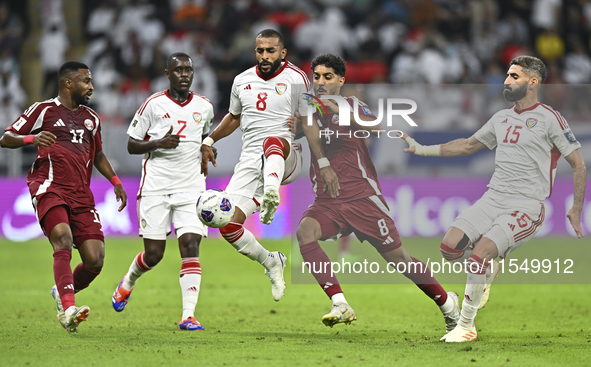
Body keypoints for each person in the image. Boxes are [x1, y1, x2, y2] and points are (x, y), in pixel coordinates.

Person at [401, 55, 586, 342]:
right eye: (508, 75)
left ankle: (466, 325)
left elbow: (578, 163)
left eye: (514, 76)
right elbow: (466, 145)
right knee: (449, 247)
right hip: (493, 197)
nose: (507, 81)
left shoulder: (550, 118)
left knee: (479, 255)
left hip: (526, 204)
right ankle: (487, 269)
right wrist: (422, 149)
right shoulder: (501, 118)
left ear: (533, 82)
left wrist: (576, 207)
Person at [295, 53, 460, 332]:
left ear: (340, 80)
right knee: (304, 233)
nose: (321, 82)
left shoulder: (352, 104)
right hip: (328, 199)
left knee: (400, 261)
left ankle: (448, 304)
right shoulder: (308, 107)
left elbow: (376, 127)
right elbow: (300, 134)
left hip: (362, 197)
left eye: (328, 76)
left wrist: (337, 110)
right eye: (317, 76)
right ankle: (340, 303)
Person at [0, 61, 127, 333]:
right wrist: (31, 140)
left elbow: (99, 155)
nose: (91, 87)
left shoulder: (91, 118)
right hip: (50, 187)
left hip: (82, 194)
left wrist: (115, 181)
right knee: (63, 239)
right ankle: (68, 309)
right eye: (86, 81)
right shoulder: (43, 110)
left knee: (95, 260)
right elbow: (6, 137)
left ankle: (61, 292)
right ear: (68, 83)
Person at [200, 29, 310, 301]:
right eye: (260, 50)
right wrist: (209, 139)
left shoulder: (297, 78)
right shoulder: (242, 80)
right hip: (250, 162)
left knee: (272, 140)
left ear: (282, 53)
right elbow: (234, 117)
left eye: (270, 50)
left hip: (287, 154)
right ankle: (272, 261)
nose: (264, 55)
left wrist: (301, 129)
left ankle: (272, 193)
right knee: (226, 224)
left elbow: (312, 121)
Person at [111, 53, 214, 331]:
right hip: (156, 187)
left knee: (190, 244)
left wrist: (208, 145)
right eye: (178, 69)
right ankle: (128, 282)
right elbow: (132, 144)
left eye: (188, 70)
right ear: (167, 74)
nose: (184, 74)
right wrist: (158, 143)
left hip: (191, 188)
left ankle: (188, 315)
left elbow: (205, 135)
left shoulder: (204, 106)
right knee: (154, 255)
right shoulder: (153, 105)